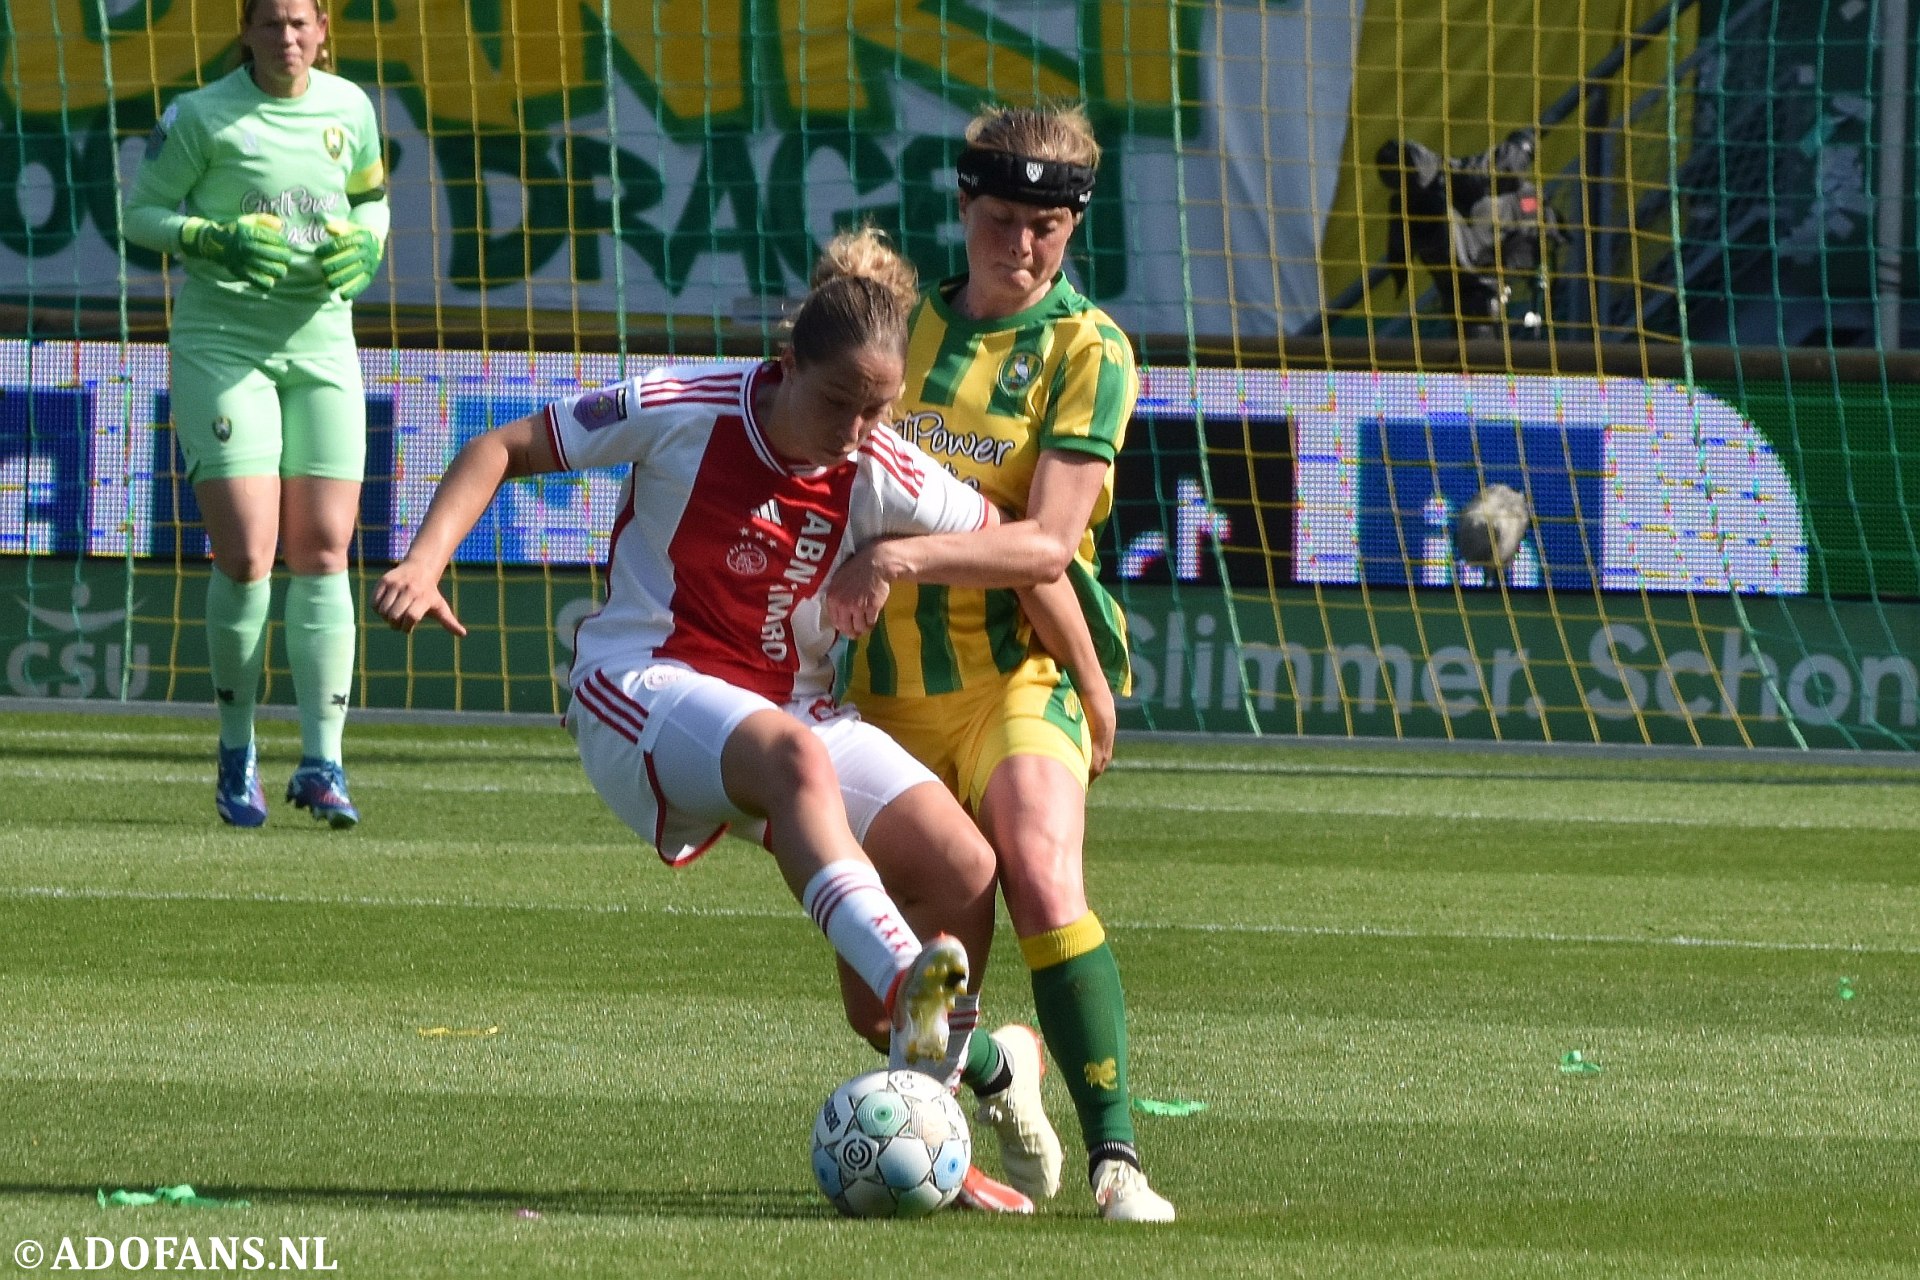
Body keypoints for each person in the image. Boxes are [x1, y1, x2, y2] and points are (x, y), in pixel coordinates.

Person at [371, 230, 1080, 1211]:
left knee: (964, 866)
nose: (859, 429)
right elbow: (503, 444)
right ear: (784, 367)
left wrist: (1059, 655)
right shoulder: (685, 404)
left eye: (879, 409)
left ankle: (945, 1117)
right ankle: (925, 988)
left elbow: (1031, 552)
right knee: (793, 757)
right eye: (840, 403)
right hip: (641, 688)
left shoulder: (882, 465)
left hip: (792, 714)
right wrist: (422, 560)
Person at [827, 103, 1176, 1222]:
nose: (1020, 245)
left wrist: (901, 553)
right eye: (1001, 219)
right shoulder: (895, 329)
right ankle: (992, 1072)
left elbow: (1044, 544)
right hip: (884, 694)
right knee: (899, 992)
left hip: (1024, 670)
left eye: (1046, 226)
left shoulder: (1089, 350)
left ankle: (1119, 1156)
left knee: (1038, 865)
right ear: (963, 206)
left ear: (1074, 227)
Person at [123, 0, 389, 829]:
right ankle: (237, 752)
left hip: (323, 346)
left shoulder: (350, 107)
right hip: (223, 348)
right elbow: (141, 215)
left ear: (323, 30)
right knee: (247, 555)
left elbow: (371, 198)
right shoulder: (200, 115)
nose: (286, 38)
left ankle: (323, 762)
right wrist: (213, 238)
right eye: (270, 23)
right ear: (245, 31)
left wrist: (371, 241)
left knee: (324, 549)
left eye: (300, 23)